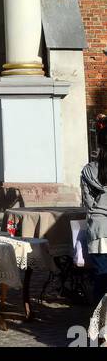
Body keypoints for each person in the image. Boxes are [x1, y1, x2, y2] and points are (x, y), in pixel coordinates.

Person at [82, 113, 107, 305]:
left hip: (99, 229)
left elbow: (88, 203)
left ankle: (100, 326)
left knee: (100, 278)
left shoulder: (88, 170)